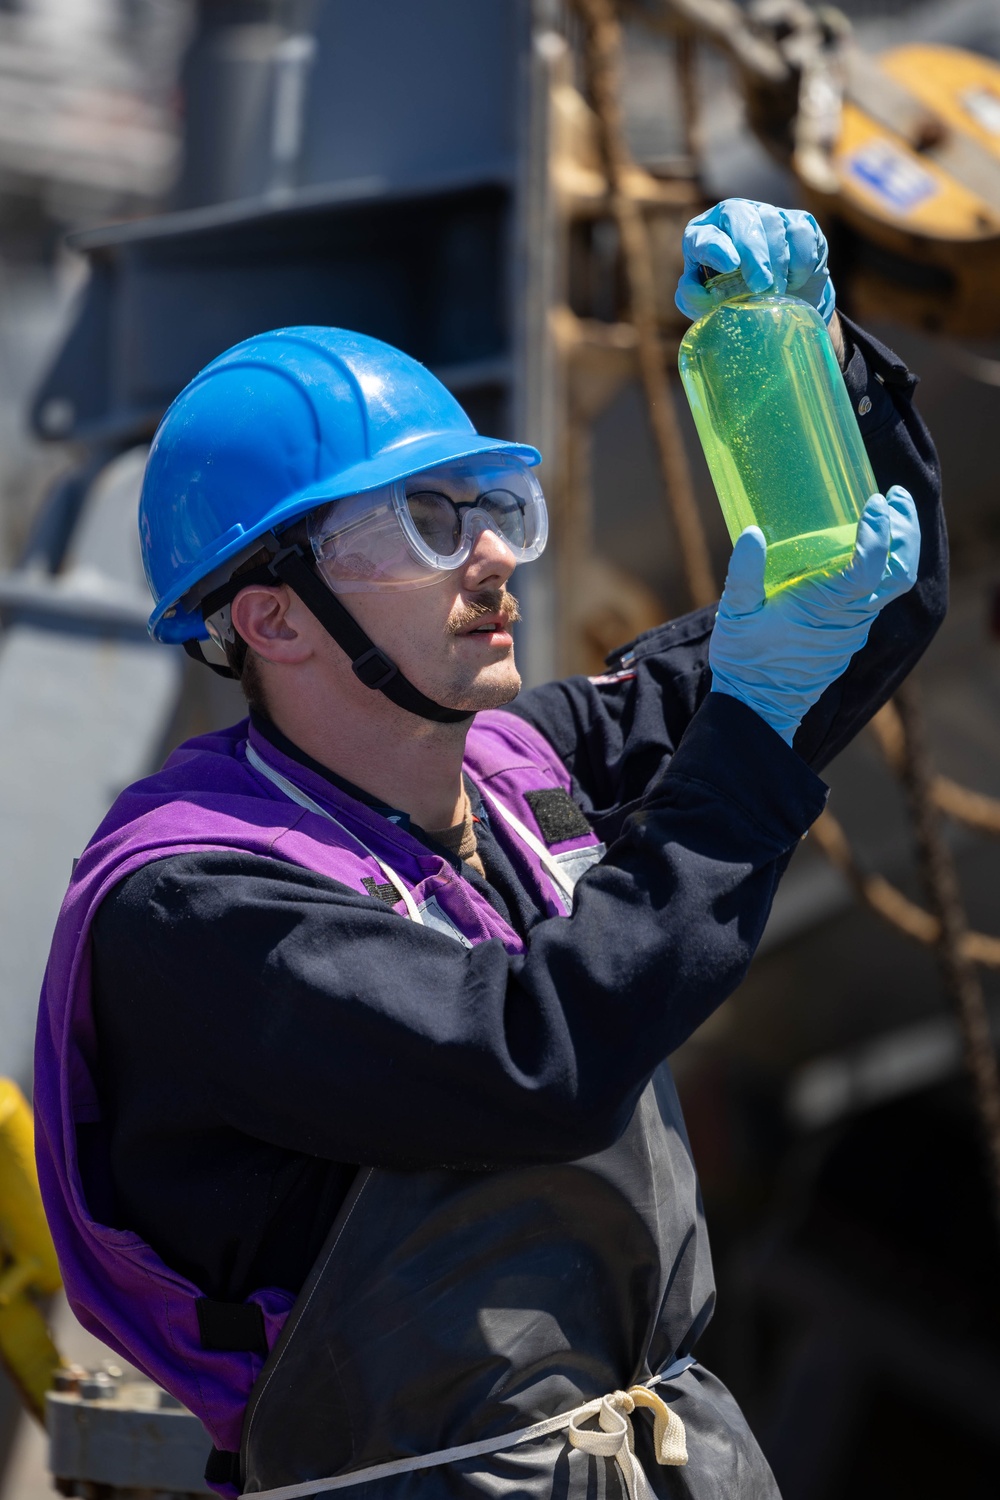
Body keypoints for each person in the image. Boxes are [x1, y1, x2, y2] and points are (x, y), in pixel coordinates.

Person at [35, 200, 945, 1500]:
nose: (495, 555)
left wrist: (818, 354)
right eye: (423, 523)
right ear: (274, 619)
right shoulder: (194, 910)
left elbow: (868, 608)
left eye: (492, 505)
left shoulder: (525, 771)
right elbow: (536, 1058)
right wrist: (750, 726)